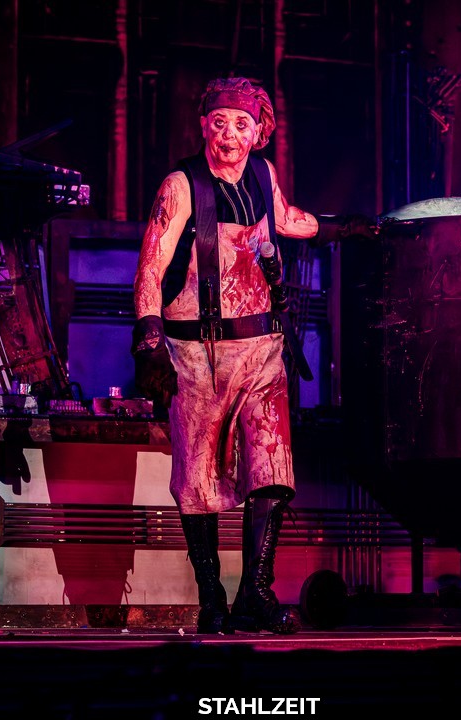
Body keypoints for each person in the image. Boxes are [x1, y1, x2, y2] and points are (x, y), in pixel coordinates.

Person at [131, 76, 372, 635]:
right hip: (198, 356)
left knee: (272, 469)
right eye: (219, 122)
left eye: (241, 124)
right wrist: (149, 342)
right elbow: (150, 266)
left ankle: (254, 594)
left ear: (259, 131)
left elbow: (284, 219)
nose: (229, 135)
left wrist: (340, 228)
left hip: (263, 351)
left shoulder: (263, 174)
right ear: (203, 126)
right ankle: (212, 600)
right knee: (197, 480)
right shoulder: (180, 186)